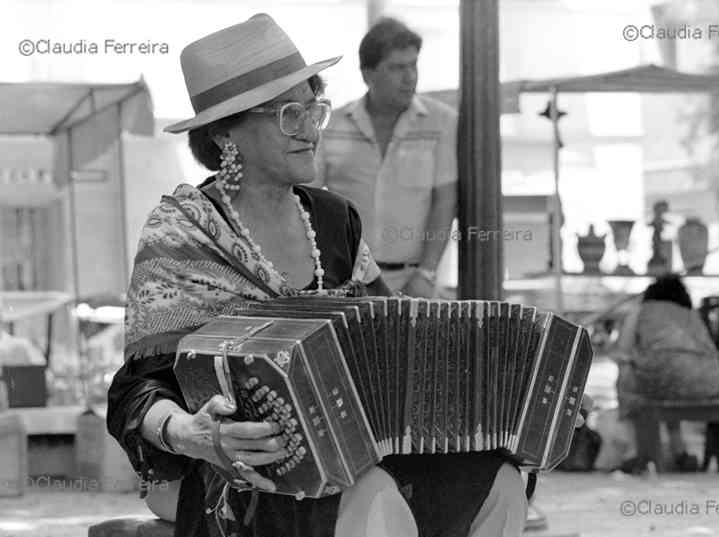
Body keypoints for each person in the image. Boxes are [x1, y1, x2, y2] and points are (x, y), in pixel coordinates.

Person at [107, 14, 530, 537]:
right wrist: (190, 432)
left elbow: (398, 338)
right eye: (290, 114)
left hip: (354, 452)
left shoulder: (334, 220)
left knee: (498, 479)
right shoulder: (182, 231)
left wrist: (520, 396)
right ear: (226, 133)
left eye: (314, 108)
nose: (311, 129)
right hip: (234, 471)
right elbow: (136, 389)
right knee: (371, 494)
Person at [314, 17, 457, 297]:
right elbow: (307, 197)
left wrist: (426, 274)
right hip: (348, 283)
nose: (410, 77)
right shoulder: (333, 126)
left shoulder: (442, 123)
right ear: (368, 74)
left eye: (413, 65)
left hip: (414, 282)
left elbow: (446, 200)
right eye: (397, 68)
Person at [614, 274, 719, 472]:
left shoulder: (642, 311)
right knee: (671, 374)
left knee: (631, 372)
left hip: (663, 380)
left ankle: (633, 452)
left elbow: (623, 351)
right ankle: (679, 449)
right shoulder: (691, 314)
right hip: (709, 383)